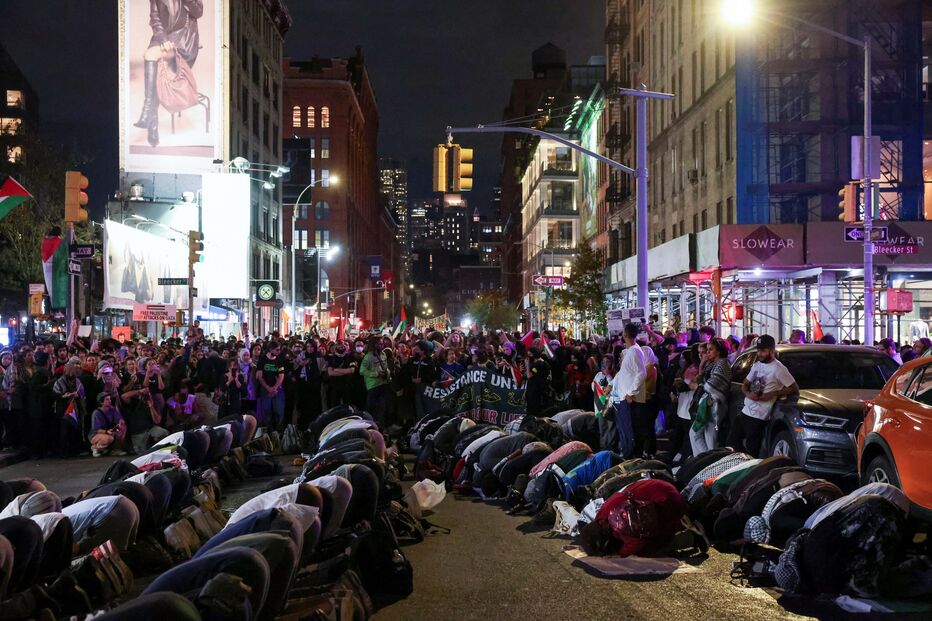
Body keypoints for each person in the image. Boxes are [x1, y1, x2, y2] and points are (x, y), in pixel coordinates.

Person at [727, 334, 798, 457]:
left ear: (771, 350)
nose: (760, 354)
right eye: (758, 350)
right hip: (746, 410)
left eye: (763, 351)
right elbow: (745, 384)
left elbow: (793, 388)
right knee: (732, 441)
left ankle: (750, 469)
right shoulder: (757, 365)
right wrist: (748, 394)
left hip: (759, 416)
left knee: (753, 449)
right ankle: (742, 464)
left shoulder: (778, 368)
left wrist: (773, 394)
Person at [689, 338, 732, 455]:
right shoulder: (713, 364)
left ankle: (708, 461)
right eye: (707, 350)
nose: (707, 353)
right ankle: (702, 461)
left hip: (715, 405)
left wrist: (701, 384)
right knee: (696, 434)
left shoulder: (722, 364)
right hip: (708, 404)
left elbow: (710, 386)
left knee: (709, 438)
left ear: (719, 351)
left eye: (710, 350)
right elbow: (700, 380)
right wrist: (702, 365)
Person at [610, 324, 646, 458]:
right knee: (625, 431)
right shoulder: (631, 351)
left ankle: (632, 459)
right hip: (624, 398)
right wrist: (611, 385)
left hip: (630, 400)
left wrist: (631, 392)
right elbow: (625, 373)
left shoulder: (635, 351)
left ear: (625, 334)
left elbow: (641, 373)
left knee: (631, 432)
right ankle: (628, 456)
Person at [359, 337, 391, 428]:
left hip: (383, 384)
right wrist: (376, 374)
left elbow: (385, 367)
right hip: (373, 386)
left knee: (383, 408)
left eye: (382, 343)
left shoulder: (383, 354)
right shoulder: (368, 357)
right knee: (372, 408)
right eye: (379, 344)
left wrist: (388, 374)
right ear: (374, 345)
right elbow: (362, 371)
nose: (381, 345)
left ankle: (382, 427)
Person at [257, 342, 286, 430]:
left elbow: (281, 375)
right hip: (265, 390)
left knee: (279, 412)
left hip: (277, 390)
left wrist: (275, 388)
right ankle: (268, 431)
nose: (279, 351)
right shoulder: (262, 360)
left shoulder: (280, 360)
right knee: (266, 412)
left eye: (279, 349)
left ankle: (279, 431)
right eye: (277, 349)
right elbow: (259, 376)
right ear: (270, 349)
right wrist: (268, 388)